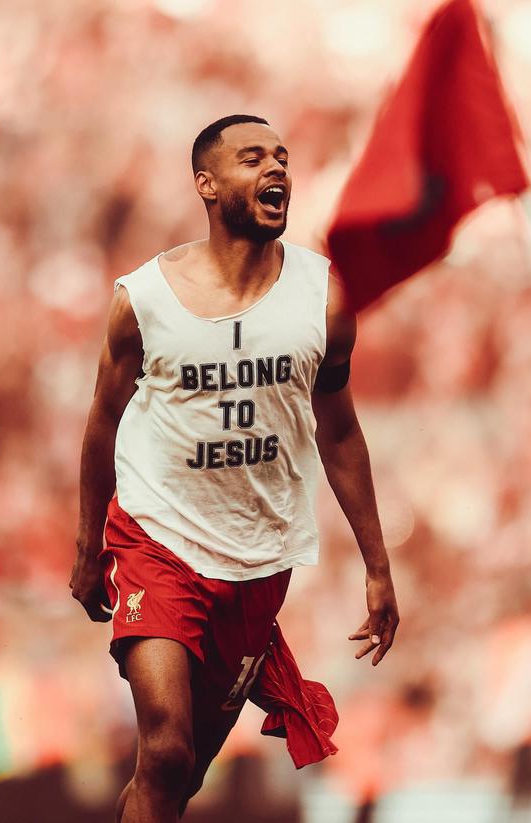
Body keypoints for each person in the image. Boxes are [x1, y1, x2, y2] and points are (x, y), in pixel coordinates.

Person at [69, 114, 399, 823]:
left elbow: (340, 431)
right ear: (208, 184)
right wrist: (88, 543)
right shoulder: (144, 298)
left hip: (256, 561)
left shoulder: (323, 297)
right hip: (156, 538)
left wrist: (377, 564)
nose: (276, 169)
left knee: (179, 778)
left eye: (282, 157)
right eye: (253, 159)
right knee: (164, 749)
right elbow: (103, 420)